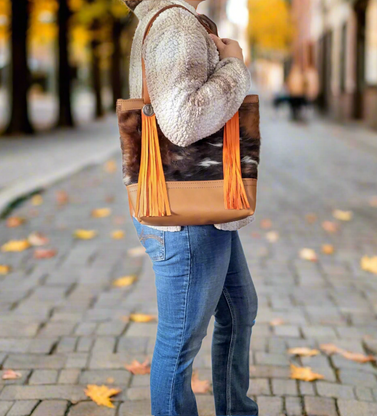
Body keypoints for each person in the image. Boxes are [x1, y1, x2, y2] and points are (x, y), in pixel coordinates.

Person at [121, 1, 259, 415]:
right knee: (180, 342)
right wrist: (234, 65)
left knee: (239, 311)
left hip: (200, 210)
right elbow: (182, 123)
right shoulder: (177, 24)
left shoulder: (167, 19)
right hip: (188, 216)